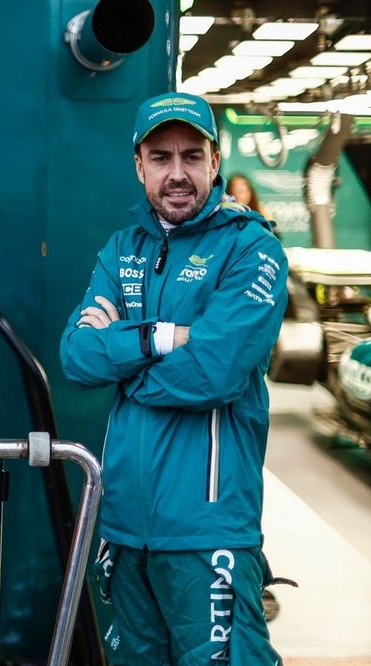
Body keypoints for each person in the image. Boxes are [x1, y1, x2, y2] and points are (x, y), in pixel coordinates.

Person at [59, 93, 288, 664]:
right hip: (124, 527)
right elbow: (77, 358)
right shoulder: (122, 249)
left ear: (215, 161)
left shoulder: (251, 248)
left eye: (192, 155)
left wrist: (125, 364)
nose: (177, 173)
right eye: (161, 157)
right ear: (139, 166)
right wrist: (164, 337)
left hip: (207, 531)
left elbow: (214, 372)